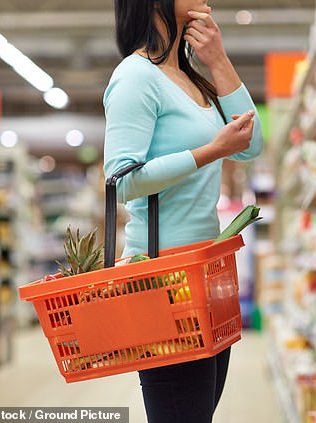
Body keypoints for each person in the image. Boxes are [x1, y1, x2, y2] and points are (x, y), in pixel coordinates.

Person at [103, 0, 263, 421]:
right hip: (163, 281)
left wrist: (219, 60)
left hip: (206, 273)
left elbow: (253, 143)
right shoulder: (135, 77)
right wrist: (213, 151)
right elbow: (122, 181)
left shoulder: (190, 78)